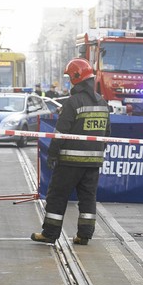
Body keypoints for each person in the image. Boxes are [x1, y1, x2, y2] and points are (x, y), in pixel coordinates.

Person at [31, 58, 111, 245]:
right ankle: (84, 235)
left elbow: (61, 132)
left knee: (57, 196)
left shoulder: (72, 102)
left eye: (69, 77)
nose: (69, 81)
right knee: (88, 199)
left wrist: (52, 154)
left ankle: (50, 233)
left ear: (76, 77)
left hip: (69, 162)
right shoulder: (102, 102)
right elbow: (107, 133)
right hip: (93, 163)